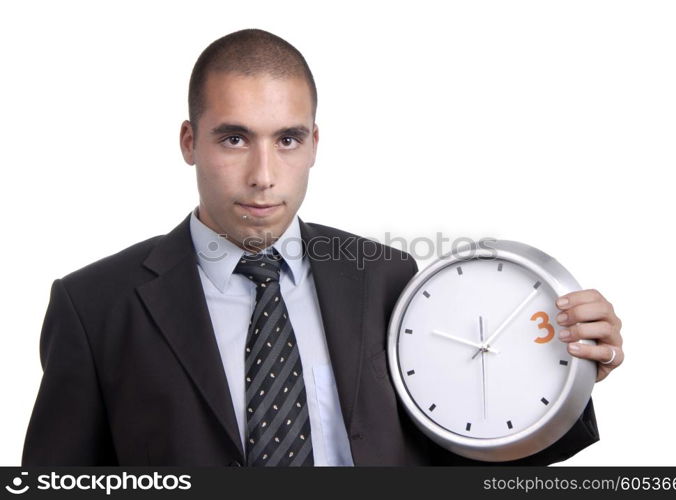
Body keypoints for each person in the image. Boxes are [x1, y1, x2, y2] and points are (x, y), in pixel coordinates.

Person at [22, 29, 624, 467]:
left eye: (287, 139)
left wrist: (567, 376)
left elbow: (457, 454)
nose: (264, 175)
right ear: (189, 141)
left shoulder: (387, 277)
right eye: (234, 138)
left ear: (314, 142)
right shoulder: (94, 306)